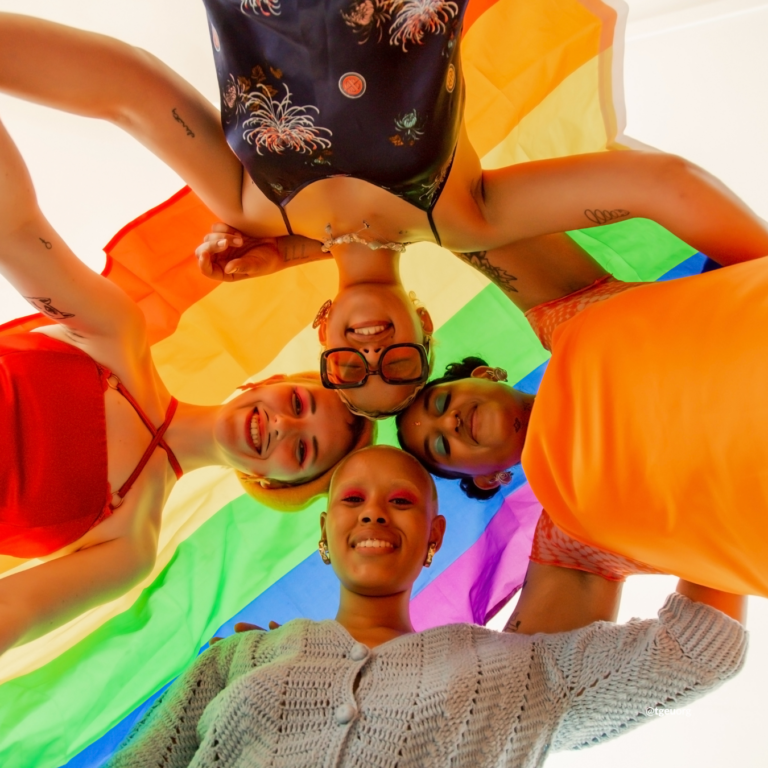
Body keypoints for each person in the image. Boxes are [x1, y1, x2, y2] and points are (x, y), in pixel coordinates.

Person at [1, 11, 768, 416]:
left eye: (348, 369)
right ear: (426, 327)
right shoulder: (462, 218)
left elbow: (129, 92)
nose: (371, 351)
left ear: (322, 330)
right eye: (399, 365)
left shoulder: (257, 211)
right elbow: (668, 185)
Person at [105, 445, 746, 768]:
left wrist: (705, 471)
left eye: (402, 502)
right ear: (324, 536)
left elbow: (699, 648)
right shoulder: (242, 656)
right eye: (353, 501)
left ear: (434, 539)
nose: (374, 512)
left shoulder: (517, 670)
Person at [0, 110, 374, 656]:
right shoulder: (115, 331)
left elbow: (13, 613)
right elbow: (15, 228)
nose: (282, 424)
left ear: (273, 484)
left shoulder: (130, 550)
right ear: (266, 381)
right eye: (298, 402)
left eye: (302, 449)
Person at [396, 232, 768, 597]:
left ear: (484, 375)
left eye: (442, 404)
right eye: (441, 445)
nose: (450, 422)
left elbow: (458, 218)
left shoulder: (567, 311)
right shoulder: (568, 538)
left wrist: (372, 267)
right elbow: (530, 658)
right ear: (488, 480)